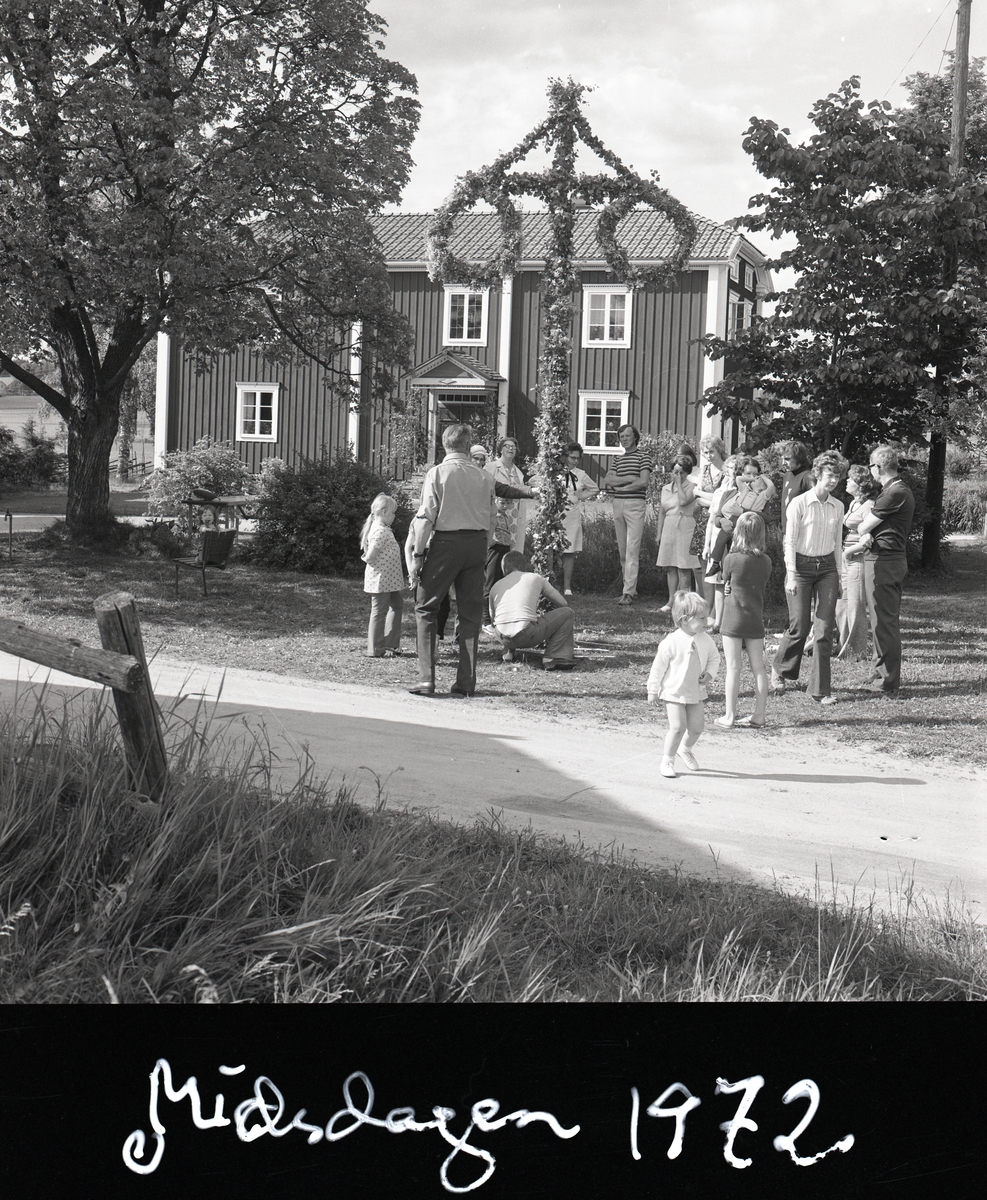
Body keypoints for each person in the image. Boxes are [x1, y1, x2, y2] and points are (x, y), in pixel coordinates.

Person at [407, 423, 497, 698]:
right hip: (477, 543)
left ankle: (426, 679)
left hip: (446, 543)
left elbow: (425, 518)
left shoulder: (438, 473)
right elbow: (493, 518)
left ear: (445, 444)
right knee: (470, 614)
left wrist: (418, 555)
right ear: (468, 446)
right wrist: (485, 545)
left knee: (426, 607)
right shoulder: (484, 477)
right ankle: (466, 682)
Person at [770, 450, 848, 706]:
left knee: (825, 631)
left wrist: (839, 577)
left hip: (827, 569)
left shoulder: (838, 506)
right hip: (800, 569)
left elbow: (838, 545)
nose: (834, 480)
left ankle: (820, 690)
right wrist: (791, 575)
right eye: (829, 475)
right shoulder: (799, 503)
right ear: (817, 475)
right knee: (800, 626)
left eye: (837, 476)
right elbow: (789, 541)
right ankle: (781, 669)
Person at [852, 445, 916, 695]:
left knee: (884, 622)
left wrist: (864, 530)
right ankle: (881, 672)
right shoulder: (893, 490)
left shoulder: (894, 492)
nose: (870, 472)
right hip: (884, 559)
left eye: (871, 466)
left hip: (885, 561)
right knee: (880, 620)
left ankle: (887, 680)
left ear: (878, 467)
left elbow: (862, 525)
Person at [647, 590, 720, 779]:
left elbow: (715, 658)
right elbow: (658, 668)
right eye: (702, 618)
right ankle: (667, 761)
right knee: (678, 727)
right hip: (674, 692)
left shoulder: (705, 639)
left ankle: (685, 749)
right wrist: (653, 690)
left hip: (696, 692)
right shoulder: (671, 642)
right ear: (686, 619)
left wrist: (710, 675)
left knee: (697, 728)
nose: (707, 622)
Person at [715, 512, 772, 729]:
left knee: (733, 668)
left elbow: (726, 581)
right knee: (758, 667)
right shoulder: (766, 561)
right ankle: (759, 715)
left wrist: (729, 586)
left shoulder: (731, 559)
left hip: (733, 618)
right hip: (755, 617)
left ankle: (729, 716)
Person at [489, 550, 576, 670]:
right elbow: (563, 603)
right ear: (524, 565)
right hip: (526, 634)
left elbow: (493, 618)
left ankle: (508, 653)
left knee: (509, 615)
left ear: (504, 568)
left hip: (501, 636)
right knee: (568, 613)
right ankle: (554, 656)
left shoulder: (496, 585)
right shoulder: (535, 578)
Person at [482, 436, 537, 626]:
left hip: (514, 522)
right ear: (500, 449)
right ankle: (488, 613)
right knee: (493, 568)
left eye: (513, 447)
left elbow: (520, 490)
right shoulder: (491, 468)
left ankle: (507, 607)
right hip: (497, 522)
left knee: (512, 563)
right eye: (506, 446)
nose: (510, 449)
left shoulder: (518, 472)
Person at [835, 465, 881, 661]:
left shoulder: (869, 505)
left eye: (850, 479)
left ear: (861, 485)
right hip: (847, 559)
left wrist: (849, 552)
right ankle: (843, 645)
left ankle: (856, 651)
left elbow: (869, 538)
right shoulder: (854, 503)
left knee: (855, 605)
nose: (846, 481)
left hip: (858, 560)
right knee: (842, 604)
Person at [603, 424, 652, 605]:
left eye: (627, 436)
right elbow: (607, 479)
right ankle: (629, 588)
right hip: (618, 504)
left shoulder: (643, 457)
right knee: (623, 550)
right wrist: (630, 479)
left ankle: (628, 592)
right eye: (621, 436)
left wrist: (621, 486)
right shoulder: (618, 459)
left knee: (632, 548)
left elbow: (644, 482)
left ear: (635, 437)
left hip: (634, 505)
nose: (624, 439)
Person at [360, 493, 405, 658]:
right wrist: (367, 559)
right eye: (393, 513)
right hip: (381, 580)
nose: (394, 517)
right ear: (384, 512)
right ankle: (376, 648)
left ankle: (390, 644)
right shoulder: (380, 531)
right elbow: (371, 555)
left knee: (397, 605)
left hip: (390, 580)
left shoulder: (384, 529)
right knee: (379, 612)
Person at [655, 454, 701, 610]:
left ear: (687, 473)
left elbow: (683, 501)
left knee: (683, 566)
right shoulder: (665, 488)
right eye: (675, 472)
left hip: (685, 526)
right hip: (669, 525)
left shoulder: (692, 487)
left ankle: (685, 602)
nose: (678, 475)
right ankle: (671, 600)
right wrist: (659, 533)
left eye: (681, 472)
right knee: (670, 566)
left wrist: (680, 484)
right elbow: (662, 512)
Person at [694, 435, 728, 618]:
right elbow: (696, 496)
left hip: (720, 519)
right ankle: (707, 609)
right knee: (703, 565)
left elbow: (722, 499)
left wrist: (702, 495)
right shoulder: (705, 469)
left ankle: (717, 612)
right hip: (702, 520)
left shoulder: (727, 471)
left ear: (719, 450)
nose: (708, 456)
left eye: (711, 451)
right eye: (705, 452)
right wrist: (706, 496)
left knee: (717, 565)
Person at [560, 442, 599, 596]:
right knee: (550, 549)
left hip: (572, 514)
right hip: (555, 513)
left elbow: (594, 488)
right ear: (565, 456)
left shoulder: (581, 474)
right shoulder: (555, 471)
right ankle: (547, 582)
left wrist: (579, 496)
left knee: (569, 550)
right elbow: (534, 480)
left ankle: (567, 587)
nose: (575, 461)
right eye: (572, 457)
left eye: (577, 458)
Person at [780, 441, 815, 536]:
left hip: (802, 532)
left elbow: (817, 503)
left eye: (787, 459)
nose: (783, 463)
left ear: (798, 458)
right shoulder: (787, 475)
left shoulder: (808, 477)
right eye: (782, 459)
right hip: (786, 530)